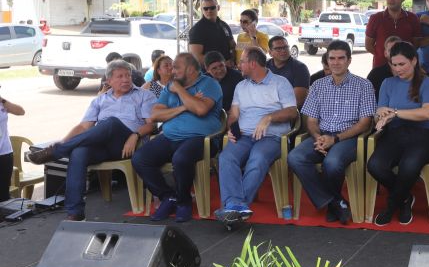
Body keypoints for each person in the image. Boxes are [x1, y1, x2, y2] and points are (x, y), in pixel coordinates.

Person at [28, 60, 156, 221]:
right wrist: (64, 141)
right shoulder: (99, 100)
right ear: (108, 81)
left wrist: (135, 135)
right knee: (78, 152)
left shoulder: (144, 95)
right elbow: (83, 127)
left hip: (128, 144)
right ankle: (75, 212)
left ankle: (56, 152)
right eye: (120, 76)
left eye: (128, 76)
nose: (126, 79)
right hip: (102, 146)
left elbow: (151, 125)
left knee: (111, 122)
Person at [287, 40, 376, 224]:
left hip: (349, 137)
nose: (336, 62)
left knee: (332, 162)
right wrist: (318, 137)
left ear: (349, 60)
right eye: (332, 58)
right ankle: (335, 202)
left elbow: (365, 124)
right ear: (326, 60)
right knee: (295, 157)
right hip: (322, 134)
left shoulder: (364, 85)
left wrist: (334, 139)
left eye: (341, 58)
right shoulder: (318, 85)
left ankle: (332, 204)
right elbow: (310, 120)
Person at [132, 53, 223, 223]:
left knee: (181, 158)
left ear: (190, 69)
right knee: (140, 158)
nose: (172, 71)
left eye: (176, 67)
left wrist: (181, 91)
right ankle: (168, 196)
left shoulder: (210, 84)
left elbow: (201, 110)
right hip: (170, 136)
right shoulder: (170, 87)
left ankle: (183, 201)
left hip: (202, 139)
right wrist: (184, 107)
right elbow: (155, 114)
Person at [215, 46, 298, 225]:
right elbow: (233, 114)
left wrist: (269, 117)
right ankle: (237, 207)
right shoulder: (241, 86)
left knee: (257, 158)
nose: (239, 65)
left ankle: (235, 207)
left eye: (242, 62)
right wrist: (232, 128)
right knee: (226, 158)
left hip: (271, 137)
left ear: (252, 64)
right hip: (244, 135)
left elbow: (292, 112)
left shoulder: (280, 82)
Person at [368, 42, 429, 226]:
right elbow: (380, 111)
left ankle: (392, 206)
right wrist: (381, 117)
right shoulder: (387, 83)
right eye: (394, 64)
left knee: (409, 166)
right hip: (395, 133)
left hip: (421, 134)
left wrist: (396, 113)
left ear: (414, 61)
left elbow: (427, 113)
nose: (397, 69)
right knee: (375, 165)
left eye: (402, 64)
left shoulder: (427, 82)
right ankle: (405, 197)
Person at [365, 0, 421, 68]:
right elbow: (368, 45)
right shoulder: (375, 18)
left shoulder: (412, 18)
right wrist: (383, 55)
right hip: (381, 67)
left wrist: (402, 57)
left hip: (406, 68)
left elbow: (416, 44)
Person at [189, 0, 235, 67]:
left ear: (218, 8)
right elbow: (196, 56)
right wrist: (221, 65)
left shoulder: (224, 25)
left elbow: (233, 46)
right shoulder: (197, 29)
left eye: (212, 8)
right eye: (205, 8)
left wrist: (232, 60)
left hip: (228, 70)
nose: (209, 11)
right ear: (201, 10)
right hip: (209, 73)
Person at [267, 35, 310, 108]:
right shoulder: (264, 66)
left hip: (289, 111)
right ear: (270, 52)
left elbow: (298, 101)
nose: (283, 51)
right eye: (278, 48)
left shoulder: (300, 68)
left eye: (285, 47)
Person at [0, 91, 25, 203]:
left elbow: (21, 111)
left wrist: (2, 100)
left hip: (5, 153)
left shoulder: (2, 104)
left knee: (4, 193)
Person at [366, 36, 401, 102]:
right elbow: (367, 98)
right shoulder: (375, 74)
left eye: (397, 49)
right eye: (391, 50)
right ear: (385, 53)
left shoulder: (412, 73)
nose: (395, 53)